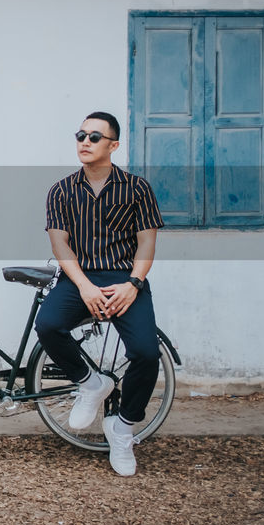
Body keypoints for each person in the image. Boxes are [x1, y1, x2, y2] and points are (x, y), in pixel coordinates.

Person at [34, 111, 164, 476]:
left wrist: (133, 284)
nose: (85, 142)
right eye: (80, 135)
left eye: (94, 137)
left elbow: (146, 244)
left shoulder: (137, 189)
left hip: (126, 277)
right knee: (48, 325)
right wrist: (85, 286)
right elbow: (61, 246)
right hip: (80, 277)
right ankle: (91, 383)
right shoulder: (61, 190)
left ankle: (122, 428)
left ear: (113, 145)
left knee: (145, 352)